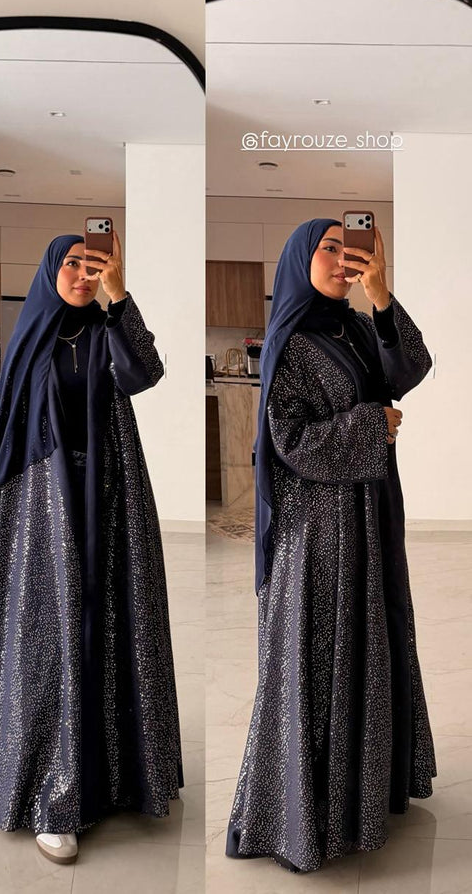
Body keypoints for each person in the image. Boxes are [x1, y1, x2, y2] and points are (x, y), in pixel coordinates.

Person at [0, 232, 183, 864]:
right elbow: (6, 432)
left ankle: (120, 775)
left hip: (110, 500)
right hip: (37, 505)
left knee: (109, 627)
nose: (81, 274)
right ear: (51, 270)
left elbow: (146, 373)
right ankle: (50, 789)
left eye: (91, 265)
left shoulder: (108, 332)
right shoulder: (32, 337)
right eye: (71, 264)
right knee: (47, 636)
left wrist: (119, 294)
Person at [225, 218, 437, 873]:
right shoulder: (288, 341)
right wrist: (370, 423)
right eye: (330, 249)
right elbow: (287, 440)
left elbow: (411, 368)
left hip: (369, 512)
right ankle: (306, 811)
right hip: (318, 527)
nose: (344, 260)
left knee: (370, 637)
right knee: (324, 646)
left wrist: (381, 295)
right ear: (300, 258)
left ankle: (366, 791)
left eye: (352, 250)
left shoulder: (355, 327)